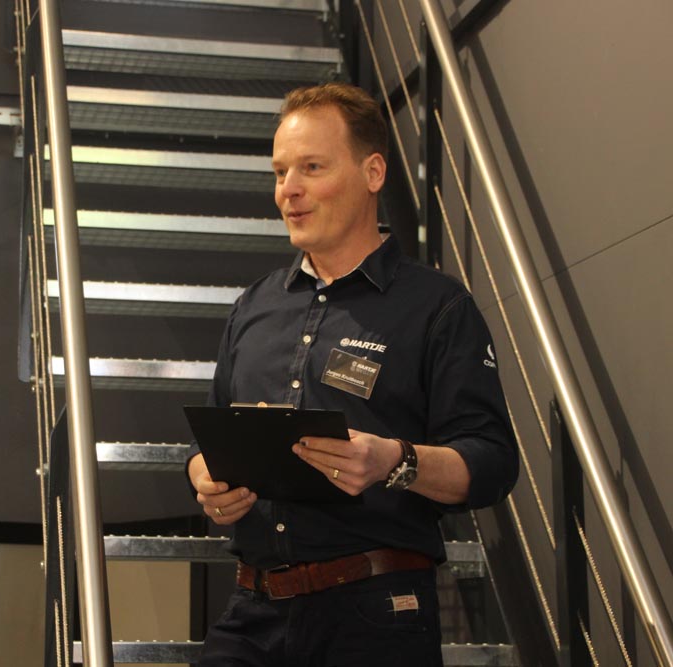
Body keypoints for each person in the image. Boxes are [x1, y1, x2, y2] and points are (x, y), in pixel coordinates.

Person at [186, 82, 519, 666]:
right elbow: (208, 442)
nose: (289, 190)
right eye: (280, 172)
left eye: (312, 168)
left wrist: (394, 460)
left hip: (376, 613)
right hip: (253, 610)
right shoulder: (253, 307)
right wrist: (208, 480)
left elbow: (492, 462)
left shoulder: (438, 308)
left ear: (373, 173)